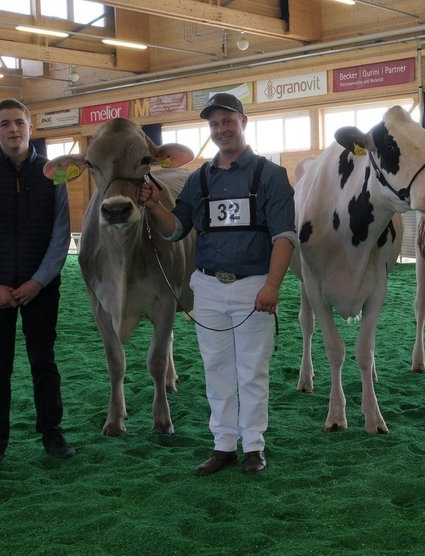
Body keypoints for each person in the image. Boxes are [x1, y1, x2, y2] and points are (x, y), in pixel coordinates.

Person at [139, 93, 296, 475]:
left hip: (253, 286)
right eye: (214, 124)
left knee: (252, 371)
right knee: (216, 369)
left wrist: (272, 287)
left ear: (243, 121)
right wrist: (155, 205)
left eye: (228, 121)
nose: (221, 129)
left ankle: (254, 446)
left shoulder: (271, 175)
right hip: (207, 287)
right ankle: (224, 445)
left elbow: (284, 236)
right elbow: (177, 229)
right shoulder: (199, 179)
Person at [0, 98, 74, 473]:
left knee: (44, 363)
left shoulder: (54, 172)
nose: (13, 129)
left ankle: (52, 433)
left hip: (41, 288)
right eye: (5, 123)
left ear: (29, 127)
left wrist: (39, 281)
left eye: (19, 122)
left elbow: (61, 234)